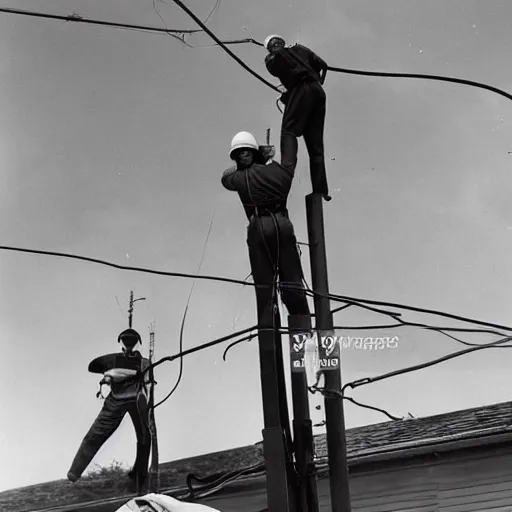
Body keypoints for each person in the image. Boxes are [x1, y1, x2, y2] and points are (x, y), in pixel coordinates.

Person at [221, 131, 311, 330]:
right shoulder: (279, 173)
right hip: (282, 225)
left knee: (264, 294)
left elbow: (224, 178)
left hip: (258, 229)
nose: (241, 157)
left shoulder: (238, 177)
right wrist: (263, 160)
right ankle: (303, 333)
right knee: (293, 284)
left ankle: (268, 340)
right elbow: (289, 163)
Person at [67, 328, 151, 492]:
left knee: (145, 436)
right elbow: (108, 375)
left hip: (136, 397)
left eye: (131, 342)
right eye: (127, 342)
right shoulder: (112, 362)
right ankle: (74, 471)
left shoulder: (144, 362)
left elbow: (148, 381)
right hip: (117, 398)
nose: (129, 346)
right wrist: (107, 378)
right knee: (97, 432)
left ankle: (139, 475)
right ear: (122, 344)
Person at [263, 35, 331, 201]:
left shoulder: (272, 58)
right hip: (318, 93)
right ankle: (320, 190)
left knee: (288, 132)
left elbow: (278, 64)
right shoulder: (300, 49)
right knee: (316, 146)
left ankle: (285, 175)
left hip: (301, 91)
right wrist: (318, 80)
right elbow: (323, 65)